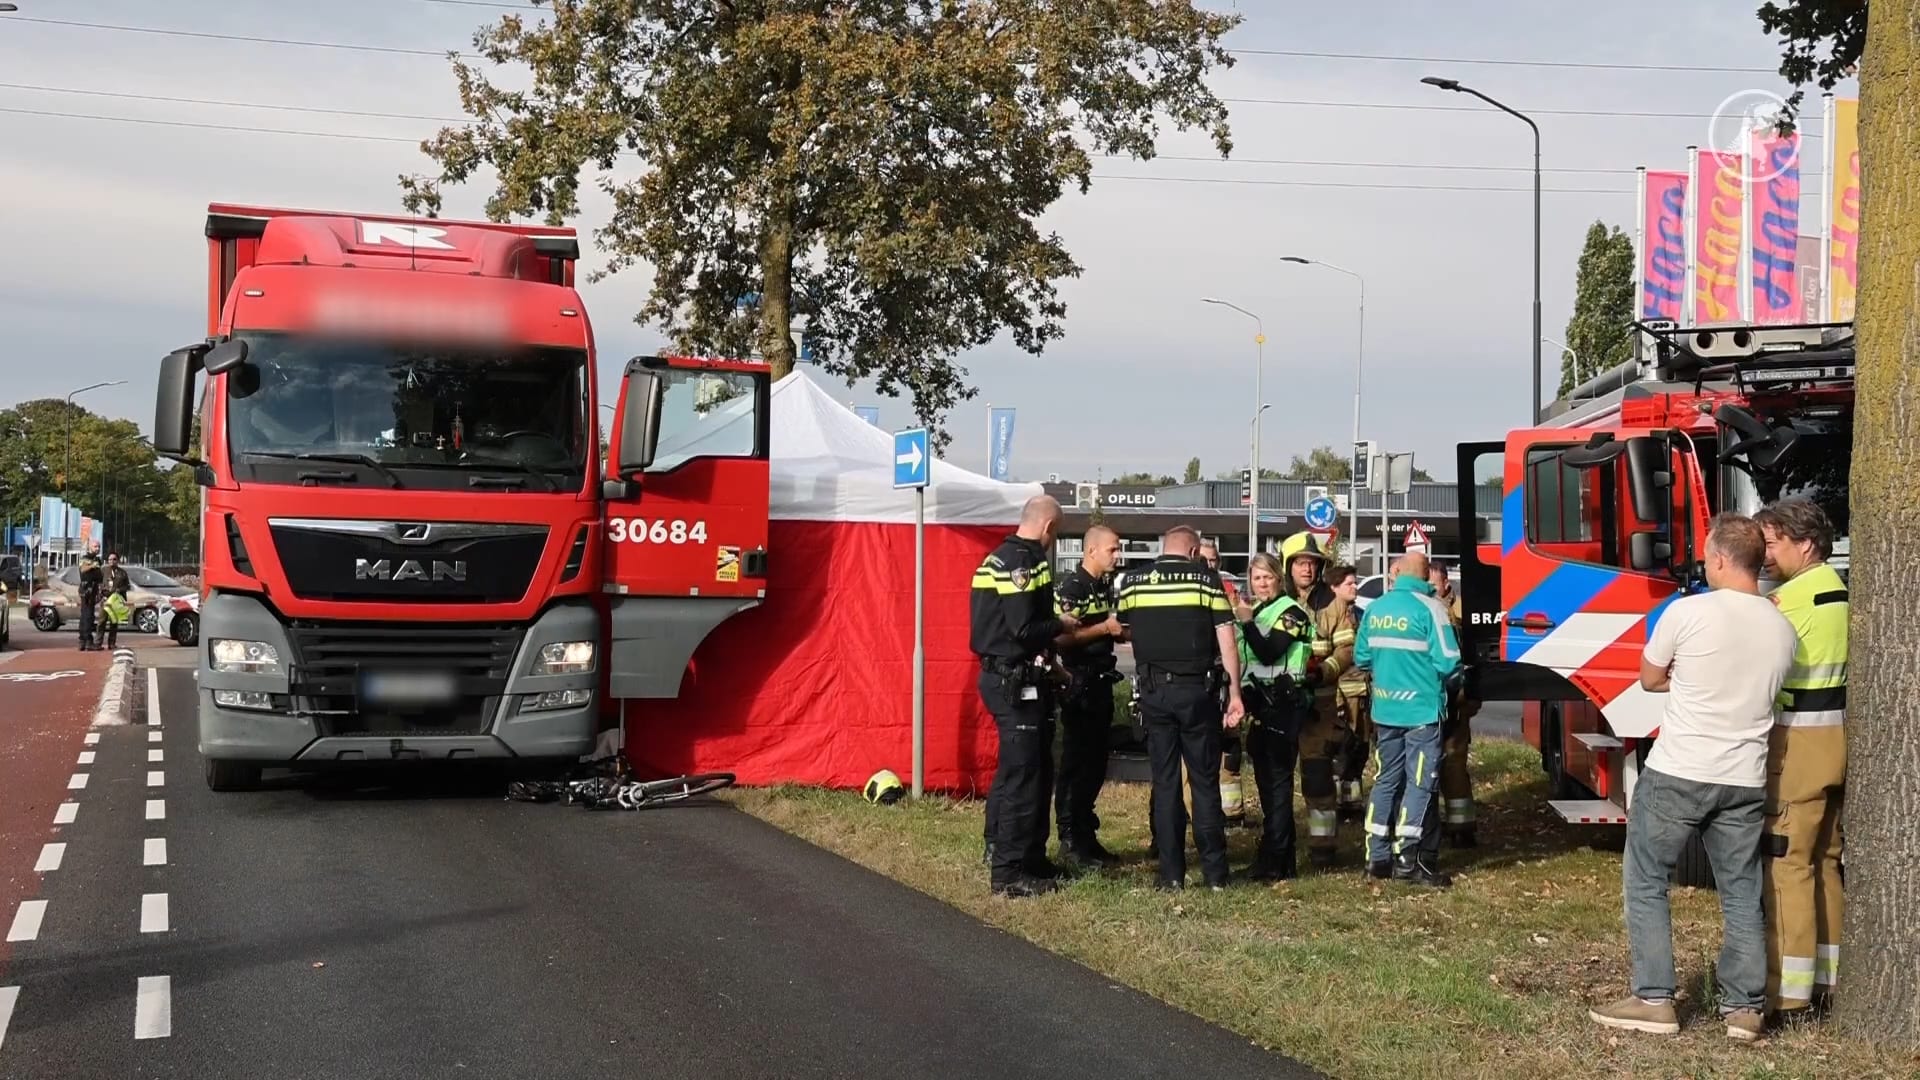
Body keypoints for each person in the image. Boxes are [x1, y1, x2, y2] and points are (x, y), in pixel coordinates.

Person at [1588, 514, 1797, 1042]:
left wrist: (1684, 678)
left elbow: (1650, 676)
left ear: (1722, 559)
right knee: (1742, 891)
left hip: (1680, 769)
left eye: (1707, 555)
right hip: (1745, 776)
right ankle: (1745, 1008)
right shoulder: (1781, 626)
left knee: (1645, 877)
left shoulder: (1688, 612)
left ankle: (1654, 998)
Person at [1753, 496, 1848, 1020]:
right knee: (1825, 862)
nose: (1765, 555)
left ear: (1804, 543)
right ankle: (1831, 980)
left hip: (1798, 747)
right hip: (1839, 740)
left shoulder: (1788, 602)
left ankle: (1788, 996)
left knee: (1786, 864)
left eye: (1772, 543)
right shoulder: (1840, 591)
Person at [1117, 525, 1245, 890]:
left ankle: (1171, 874)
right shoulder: (1206, 581)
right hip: (1197, 694)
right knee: (1204, 783)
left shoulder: (1134, 582)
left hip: (1154, 695)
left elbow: (1124, 629)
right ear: (1192, 552)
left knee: (1166, 783)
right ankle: (1216, 874)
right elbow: (1227, 642)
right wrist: (1235, 692)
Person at [970, 495, 1078, 898]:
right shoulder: (1024, 562)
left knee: (1026, 770)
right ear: (1049, 527)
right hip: (1013, 681)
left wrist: (1053, 666)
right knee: (1024, 776)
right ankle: (1008, 872)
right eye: (1058, 532)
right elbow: (1023, 629)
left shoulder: (997, 556)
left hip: (1009, 676)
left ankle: (1025, 857)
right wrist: (1060, 624)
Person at [1352, 551, 1459, 888]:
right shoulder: (1432, 609)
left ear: (1397, 573)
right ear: (1426, 575)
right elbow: (1449, 663)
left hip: (1385, 710)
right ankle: (1408, 859)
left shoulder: (1376, 608)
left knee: (1385, 780)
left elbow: (1361, 657)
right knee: (1419, 783)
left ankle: (1376, 856)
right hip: (1422, 712)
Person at [1234, 552, 1314, 880]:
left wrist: (1247, 622)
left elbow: (1270, 651)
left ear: (1279, 579)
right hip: (1260, 704)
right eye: (1256, 578)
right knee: (1267, 787)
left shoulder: (1292, 612)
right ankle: (1282, 860)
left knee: (1278, 786)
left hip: (1284, 704)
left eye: (1267, 577)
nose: (1262, 583)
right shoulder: (1259, 611)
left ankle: (1274, 862)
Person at [1051, 525, 1127, 867]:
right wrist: (1103, 629)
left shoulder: (1103, 586)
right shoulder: (1074, 586)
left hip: (1100, 683)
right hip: (1078, 684)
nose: (1118, 555)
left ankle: (1085, 833)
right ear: (1091, 550)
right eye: (1112, 549)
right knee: (1076, 763)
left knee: (1096, 764)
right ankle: (1069, 838)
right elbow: (1062, 639)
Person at [1280, 531, 1354, 868]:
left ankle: (1323, 847)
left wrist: (1324, 671)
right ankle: (1278, 841)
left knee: (1317, 774)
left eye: (1312, 563)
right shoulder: (1275, 602)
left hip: (1319, 705)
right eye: (1300, 563)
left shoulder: (1334, 604)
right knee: (1277, 775)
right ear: (1289, 567)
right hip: (1279, 703)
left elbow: (1348, 649)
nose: (1307, 570)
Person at [1196, 539, 1246, 827]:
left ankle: (1233, 812)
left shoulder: (1229, 591)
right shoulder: (1192, 589)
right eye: (1204, 560)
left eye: (1213, 560)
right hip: (1202, 679)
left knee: (1230, 747)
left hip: (1228, 675)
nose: (1209, 565)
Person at [1429, 563, 1479, 848]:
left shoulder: (1460, 612)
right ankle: (1439, 823)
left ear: (1446, 584)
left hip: (1456, 700)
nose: (1431, 589)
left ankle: (1462, 828)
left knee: (1454, 763)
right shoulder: (1431, 610)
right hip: (1435, 698)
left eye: (1434, 584)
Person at [1325, 565, 1372, 821]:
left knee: (1359, 749)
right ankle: (1333, 805)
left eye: (1355, 583)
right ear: (1334, 588)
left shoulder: (1361, 614)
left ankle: (1351, 805)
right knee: (1340, 751)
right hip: (1340, 694)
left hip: (1363, 694)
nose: (1355, 587)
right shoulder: (1328, 616)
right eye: (1349, 584)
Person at [76, 548, 104, 652]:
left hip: (93, 589)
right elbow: (83, 569)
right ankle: (87, 640)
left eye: (98, 547)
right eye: (95, 546)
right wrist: (93, 565)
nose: (97, 549)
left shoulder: (96, 559)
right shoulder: (86, 558)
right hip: (87, 589)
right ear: (90, 548)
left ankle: (83, 641)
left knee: (87, 615)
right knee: (87, 615)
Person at [98, 583, 132, 652]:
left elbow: (127, 586)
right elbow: (99, 584)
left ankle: (112, 643)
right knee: (101, 621)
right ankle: (98, 643)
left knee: (114, 622)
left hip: (115, 601)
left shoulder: (121, 574)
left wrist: (119, 590)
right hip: (104, 600)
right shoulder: (103, 574)